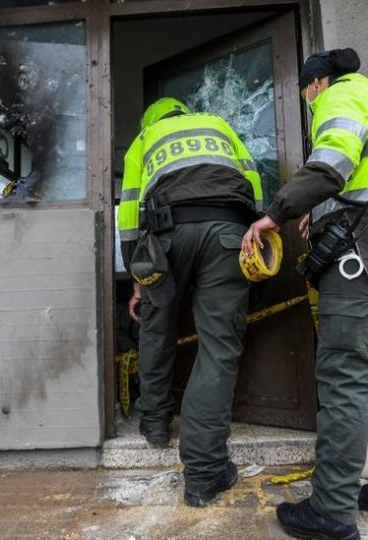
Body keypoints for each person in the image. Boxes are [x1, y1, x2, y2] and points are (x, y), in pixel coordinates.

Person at [243, 49, 368, 539]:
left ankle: (331, 511)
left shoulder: (340, 95)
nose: (308, 103)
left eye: (306, 94)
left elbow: (332, 164)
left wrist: (276, 212)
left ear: (316, 82)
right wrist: (319, 209)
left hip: (359, 248)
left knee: (344, 374)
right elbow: (367, 176)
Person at [118, 97, 262, 507]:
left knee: (156, 325)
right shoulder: (219, 125)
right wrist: (259, 232)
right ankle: (204, 473)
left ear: (152, 119)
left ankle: (155, 422)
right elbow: (252, 179)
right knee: (219, 349)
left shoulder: (144, 138)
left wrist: (137, 277)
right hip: (228, 235)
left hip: (166, 237)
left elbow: (129, 210)